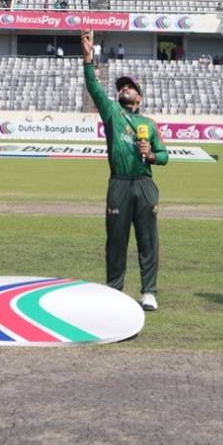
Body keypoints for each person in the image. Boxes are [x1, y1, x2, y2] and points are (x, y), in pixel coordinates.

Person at [80, 30, 168, 311]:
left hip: (144, 183)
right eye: (120, 87)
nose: (123, 89)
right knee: (116, 240)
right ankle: (115, 289)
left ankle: (149, 291)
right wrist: (87, 57)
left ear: (139, 97)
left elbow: (165, 156)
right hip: (119, 183)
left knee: (147, 239)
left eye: (129, 87)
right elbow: (93, 87)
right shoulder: (112, 113)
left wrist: (151, 154)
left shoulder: (149, 124)